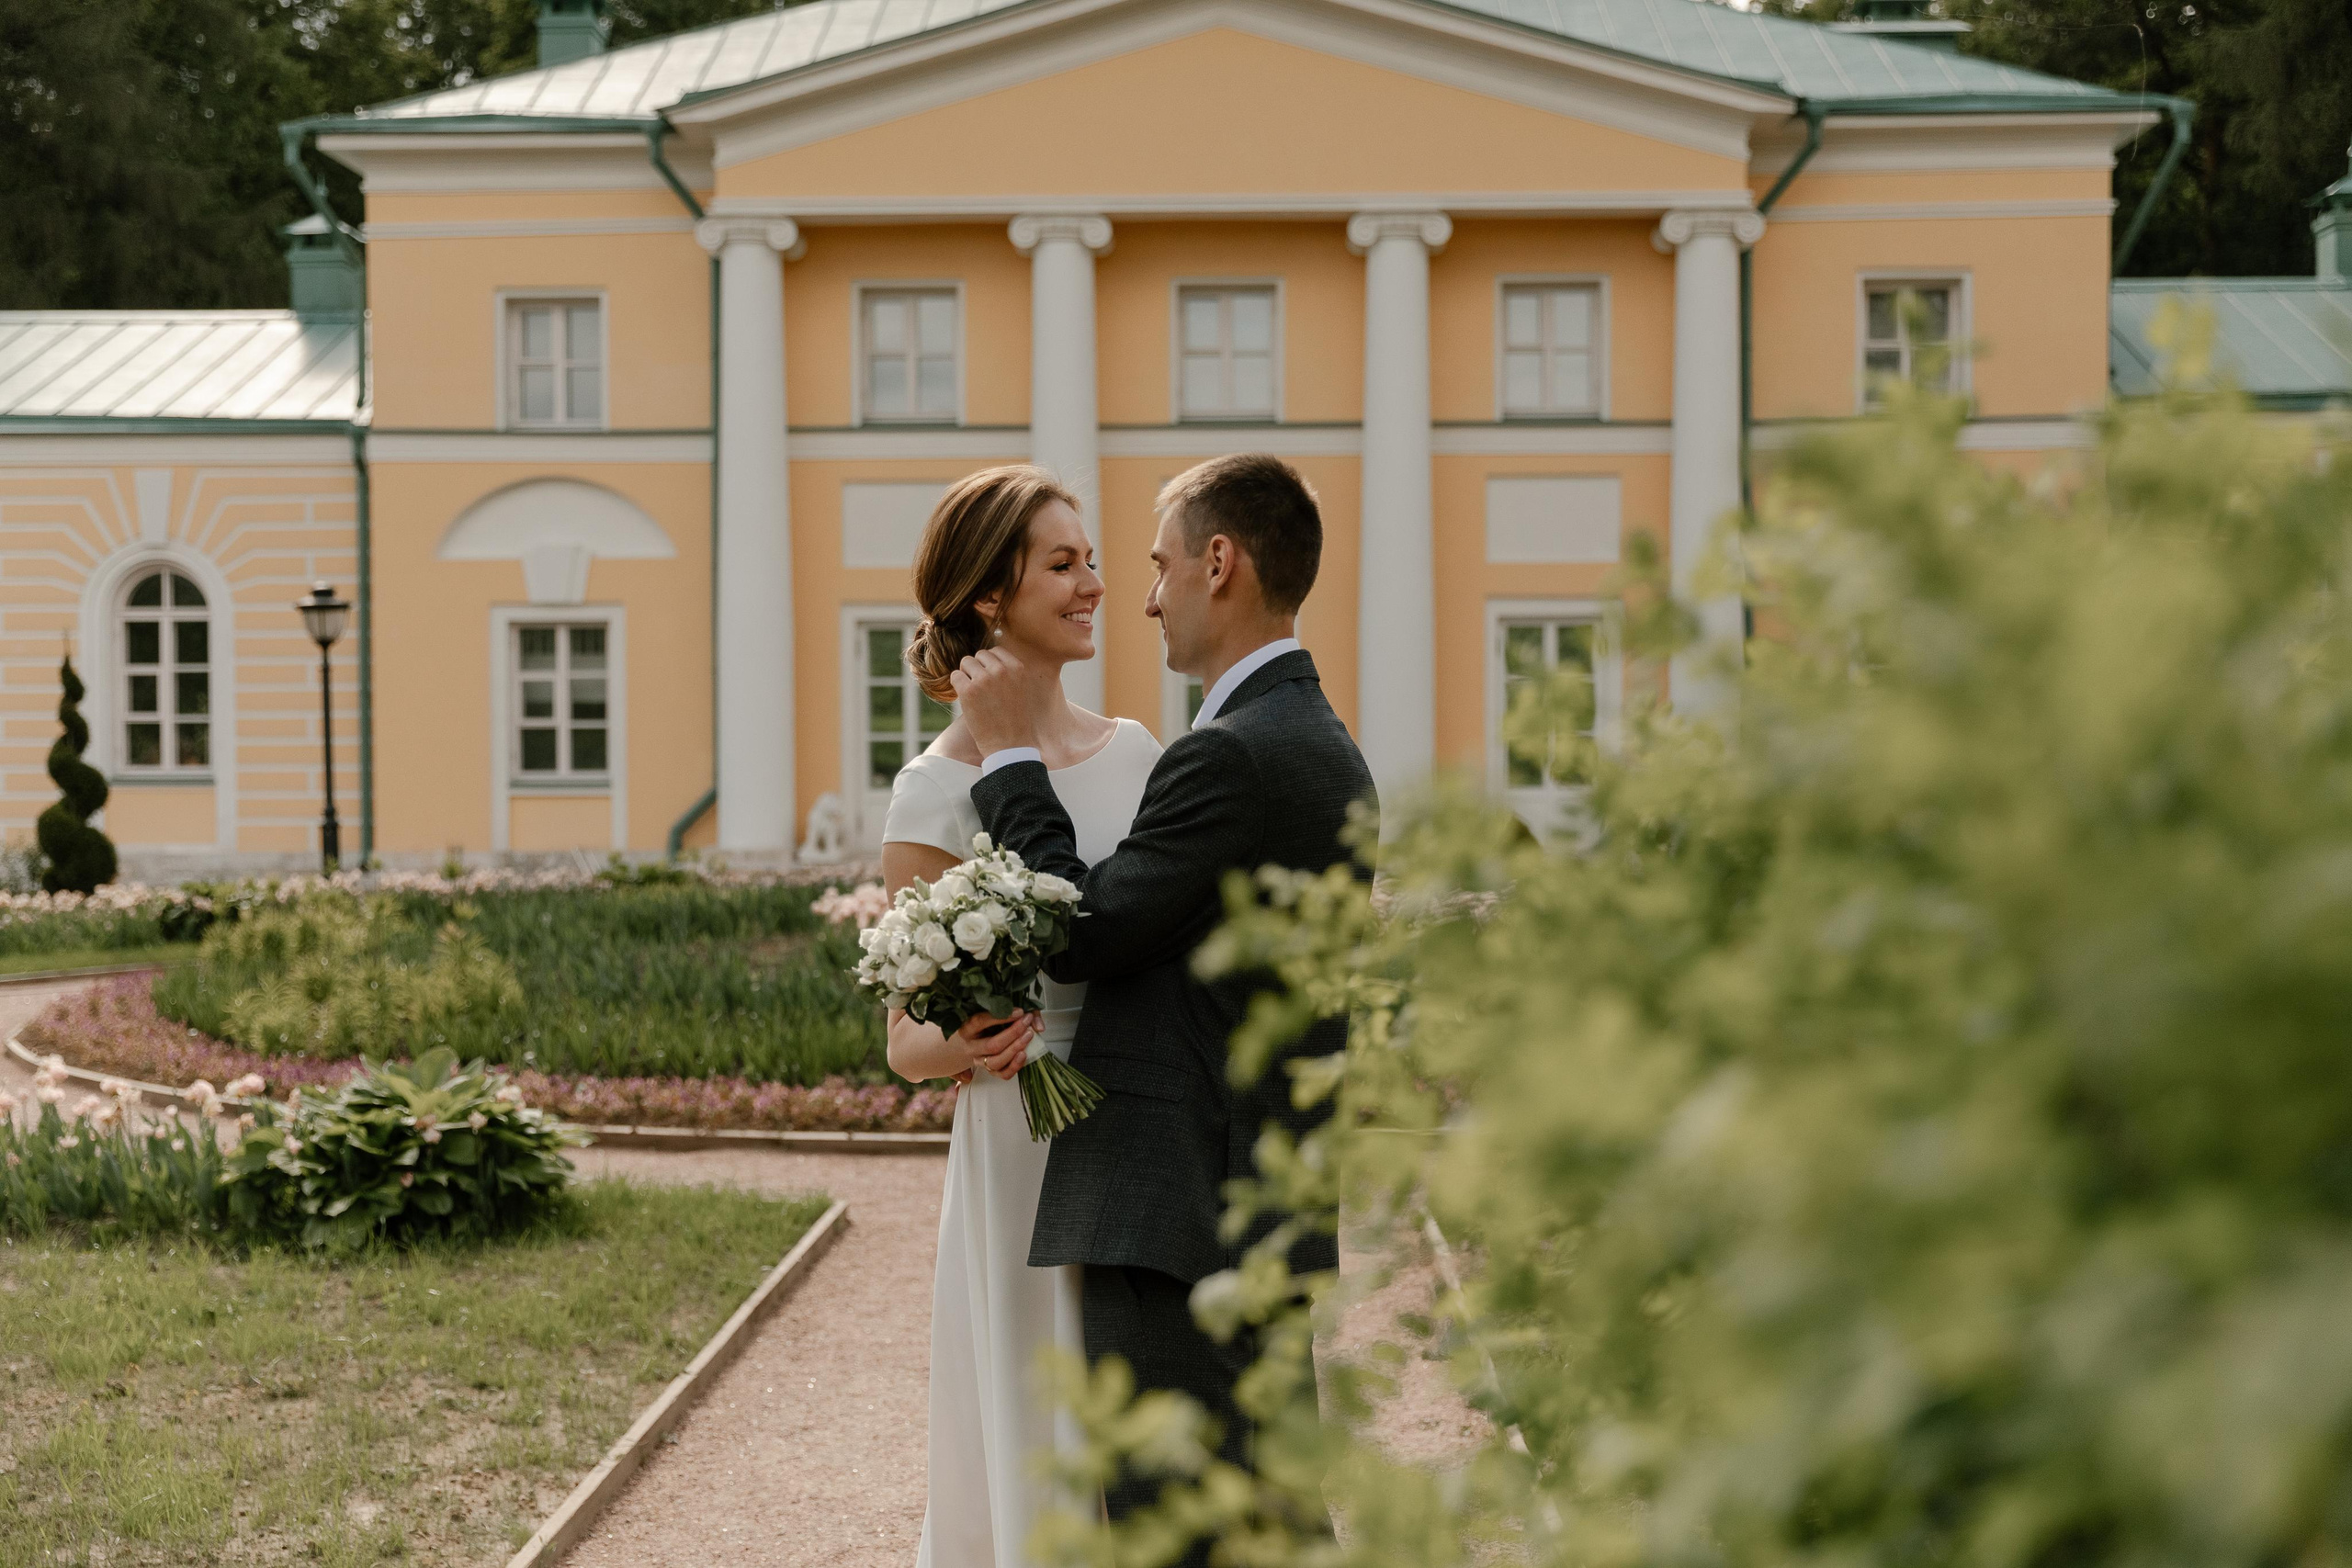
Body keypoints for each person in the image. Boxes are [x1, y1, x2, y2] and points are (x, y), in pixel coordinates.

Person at [953, 453, 1375, 1559]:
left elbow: (1084, 932)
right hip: (1246, 1199)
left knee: (1187, 1533)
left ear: (1219, 564)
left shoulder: (1234, 754)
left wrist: (1006, 764)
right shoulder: (1318, 745)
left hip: (1177, 1211)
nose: (1141, 596)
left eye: (1156, 565)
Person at [881, 465, 1164, 1568]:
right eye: (1063, 564)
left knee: (1129, 1421)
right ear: (989, 597)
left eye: (1091, 560)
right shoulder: (931, 791)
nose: (1095, 585)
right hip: (1018, 1145)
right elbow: (903, 1041)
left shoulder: (1138, 755)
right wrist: (971, 1039)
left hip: (1138, 1126)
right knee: (1035, 1422)